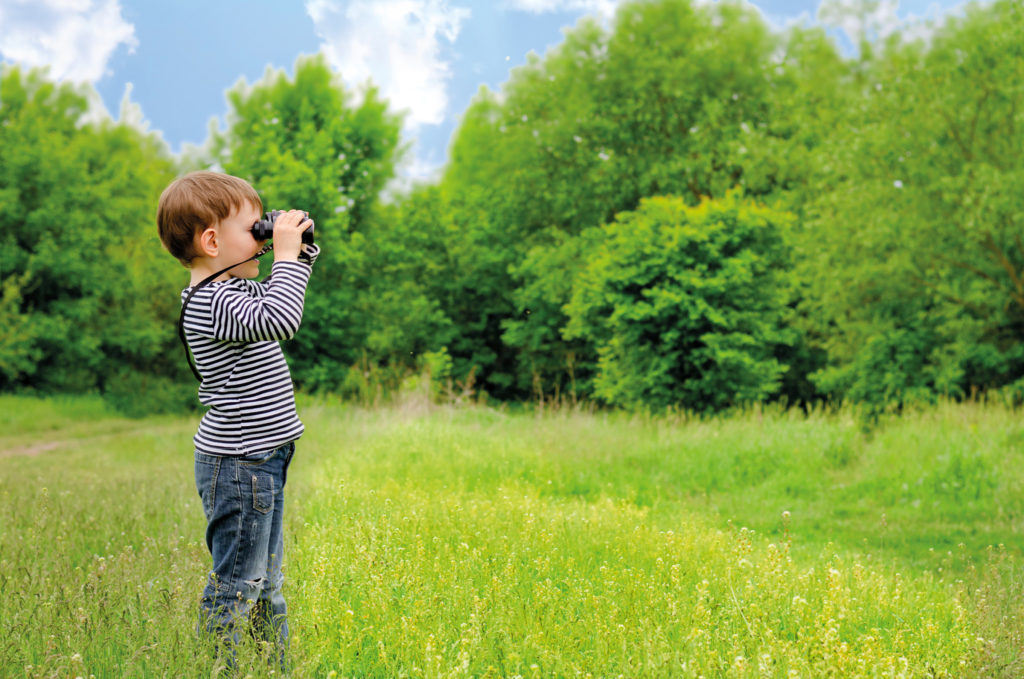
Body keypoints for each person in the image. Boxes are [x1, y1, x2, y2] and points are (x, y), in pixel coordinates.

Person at [156, 170, 319, 672]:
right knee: (239, 585)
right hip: (241, 465)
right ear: (211, 240)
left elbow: (277, 298)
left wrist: (300, 252)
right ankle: (218, 668)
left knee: (267, 584)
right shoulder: (211, 303)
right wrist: (287, 256)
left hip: (261, 460)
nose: (263, 238)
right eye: (255, 229)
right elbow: (282, 318)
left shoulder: (231, 291)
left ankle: (273, 666)